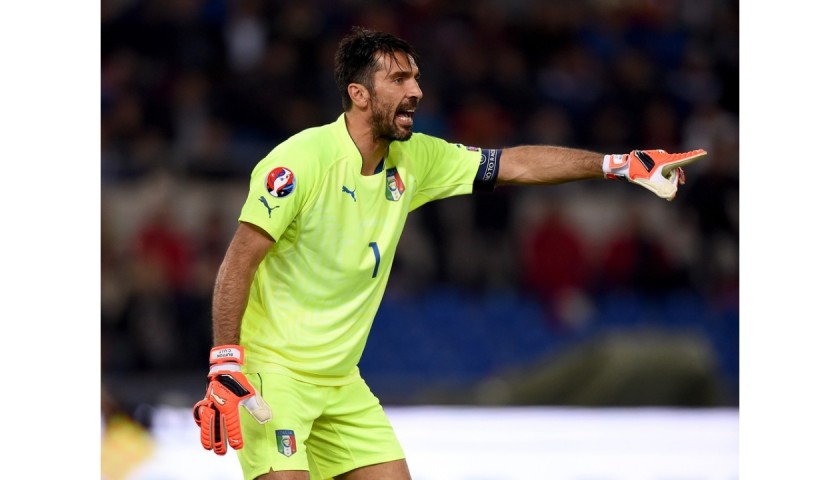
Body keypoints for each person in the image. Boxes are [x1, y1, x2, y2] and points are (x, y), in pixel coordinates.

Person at [191, 26, 706, 480]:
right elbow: (240, 259)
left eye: (415, 78)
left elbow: (517, 164)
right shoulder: (300, 160)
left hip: (340, 383)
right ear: (359, 94)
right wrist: (225, 362)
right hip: (272, 376)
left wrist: (620, 165)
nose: (416, 90)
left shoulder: (417, 159)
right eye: (399, 80)